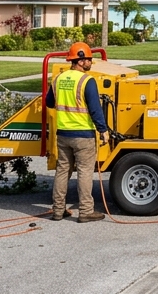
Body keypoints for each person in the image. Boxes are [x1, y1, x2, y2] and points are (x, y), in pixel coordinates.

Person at [45, 41, 110, 222]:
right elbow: (95, 109)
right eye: (88, 59)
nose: (91, 62)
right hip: (83, 135)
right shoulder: (86, 81)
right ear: (80, 60)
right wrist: (103, 130)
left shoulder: (58, 79)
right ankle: (86, 211)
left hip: (63, 134)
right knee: (84, 171)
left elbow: (49, 102)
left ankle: (58, 210)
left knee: (62, 170)